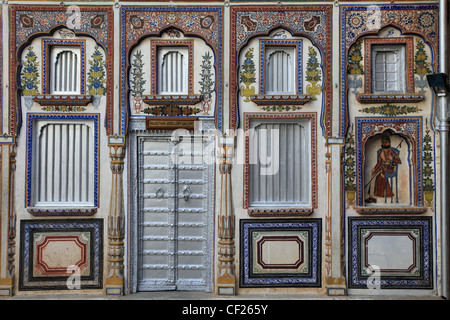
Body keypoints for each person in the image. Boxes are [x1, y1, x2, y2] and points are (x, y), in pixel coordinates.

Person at [365, 134, 401, 203]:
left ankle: (375, 196)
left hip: (390, 168)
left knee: (377, 176)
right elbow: (379, 163)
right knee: (374, 174)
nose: (384, 144)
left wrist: (392, 159)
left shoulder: (392, 152)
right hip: (382, 168)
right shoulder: (381, 153)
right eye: (383, 143)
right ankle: (372, 197)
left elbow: (399, 161)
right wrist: (374, 169)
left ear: (389, 143)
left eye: (386, 142)